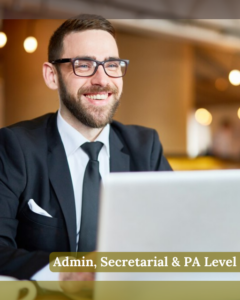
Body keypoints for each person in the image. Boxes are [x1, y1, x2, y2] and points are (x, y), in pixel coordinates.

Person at [0, 14, 172, 283]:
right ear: (52, 76)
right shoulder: (15, 147)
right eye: (84, 65)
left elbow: (179, 233)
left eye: (112, 65)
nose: (102, 79)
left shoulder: (146, 148)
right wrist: (69, 273)